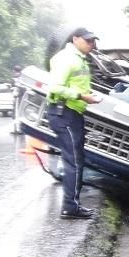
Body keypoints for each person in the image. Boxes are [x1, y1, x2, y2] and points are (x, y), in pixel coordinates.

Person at [47, 27, 102, 219]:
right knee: (74, 162)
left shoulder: (79, 59)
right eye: (88, 41)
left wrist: (87, 96)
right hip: (64, 113)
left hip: (72, 113)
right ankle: (70, 207)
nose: (91, 44)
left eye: (93, 41)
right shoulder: (66, 58)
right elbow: (55, 86)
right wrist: (82, 96)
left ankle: (72, 205)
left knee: (77, 159)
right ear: (75, 39)